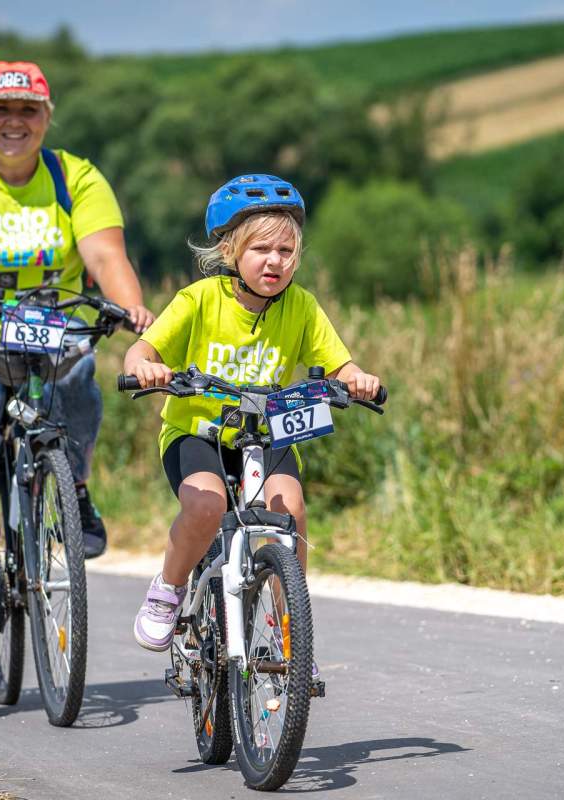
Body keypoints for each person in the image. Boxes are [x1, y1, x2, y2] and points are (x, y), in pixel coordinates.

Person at [0, 61, 153, 670]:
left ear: (46, 118)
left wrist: (133, 312)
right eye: (0, 110)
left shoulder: (76, 177)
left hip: (48, 327)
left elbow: (104, 253)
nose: (13, 122)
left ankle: (72, 487)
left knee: (77, 371)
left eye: (27, 111)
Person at [122, 174, 381, 671]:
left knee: (293, 508)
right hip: (198, 433)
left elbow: (337, 364)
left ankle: (290, 623)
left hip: (270, 431)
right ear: (230, 250)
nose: (274, 261)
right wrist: (145, 366)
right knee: (206, 504)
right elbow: (144, 347)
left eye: (286, 250)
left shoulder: (301, 306)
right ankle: (168, 589)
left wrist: (357, 378)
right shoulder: (198, 299)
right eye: (261, 249)